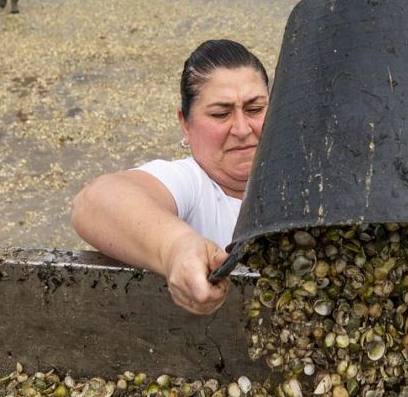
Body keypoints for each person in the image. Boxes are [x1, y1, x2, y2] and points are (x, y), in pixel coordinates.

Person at [71, 39, 269, 316]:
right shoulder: (191, 181)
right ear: (185, 123)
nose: (242, 128)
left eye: (255, 109)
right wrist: (176, 248)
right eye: (221, 114)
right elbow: (94, 201)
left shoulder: (308, 177)